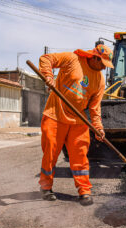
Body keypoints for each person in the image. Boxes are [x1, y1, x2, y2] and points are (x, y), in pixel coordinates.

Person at [38, 44, 114, 205]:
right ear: (94, 57)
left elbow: (95, 108)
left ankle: (84, 191)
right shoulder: (73, 59)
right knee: (50, 153)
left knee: (80, 156)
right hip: (55, 114)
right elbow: (46, 59)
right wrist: (48, 77)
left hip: (78, 119)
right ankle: (45, 187)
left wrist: (98, 127)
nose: (103, 68)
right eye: (102, 64)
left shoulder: (100, 81)